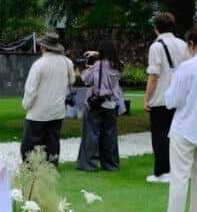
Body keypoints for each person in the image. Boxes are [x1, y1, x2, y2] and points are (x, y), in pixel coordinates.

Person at [159, 25, 197, 212]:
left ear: (191, 44)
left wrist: (171, 84)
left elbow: (172, 101)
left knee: (180, 179)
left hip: (185, 129)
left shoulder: (188, 67)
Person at [145, 11, 189, 183]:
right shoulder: (182, 44)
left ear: (156, 28)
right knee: (177, 136)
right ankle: (178, 170)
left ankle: (162, 171)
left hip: (161, 97)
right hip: (180, 97)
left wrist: (147, 97)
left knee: (160, 135)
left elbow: (153, 75)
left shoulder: (156, 47)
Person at [20, 33, 75, 163]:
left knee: (30, 146)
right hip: (57, 111)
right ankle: (51, 168)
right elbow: (71, 80)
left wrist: (26, 105)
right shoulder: (67, 62)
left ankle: (31, 170)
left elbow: (30, 90)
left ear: (42, 47)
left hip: (38, 112)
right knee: (53, 144)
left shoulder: (39, 64)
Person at [76, 40, 124, 172]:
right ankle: (110, 164)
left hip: (96, 103)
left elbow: (87, 79)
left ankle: (89, 163)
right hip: (112, 104)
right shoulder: (118, 66)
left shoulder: (98, 65)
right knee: (109, 136)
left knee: (91, 134)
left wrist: (85, 68)